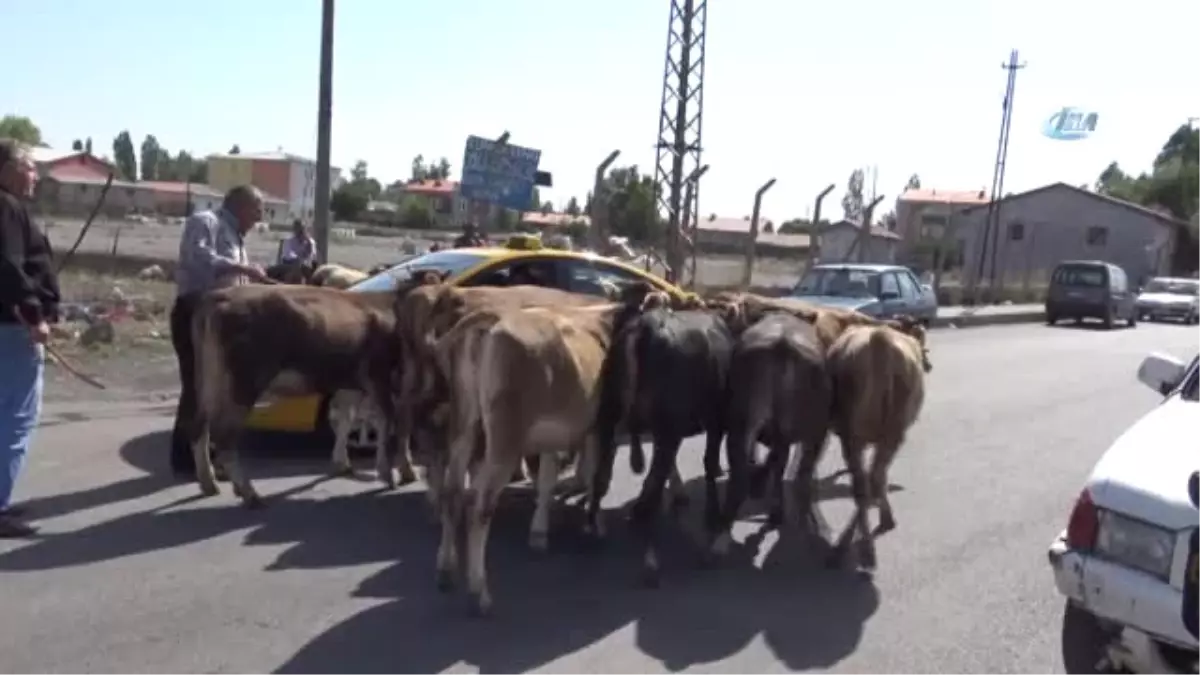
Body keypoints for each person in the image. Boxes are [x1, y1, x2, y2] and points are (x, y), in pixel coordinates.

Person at [169, 185, 269, 479]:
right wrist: (243, 268)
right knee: (196, 384)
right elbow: (198, 257)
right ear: (241, 205)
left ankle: (209, 452)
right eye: (258, 210)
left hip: (226, 319)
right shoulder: (205, 222)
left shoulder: (237, 236)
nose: (260, 217)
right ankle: (185, 455)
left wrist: (251, 276)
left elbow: (236, 279)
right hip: (196, 311)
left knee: (218, 386)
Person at [0, 139, 60, 538]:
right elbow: (8, 267)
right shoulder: (6, 206)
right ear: (7, 167)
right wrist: (35, 315)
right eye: (30, 166)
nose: (36, 174)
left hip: (8, 324)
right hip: (12, 328)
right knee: (16, 417)